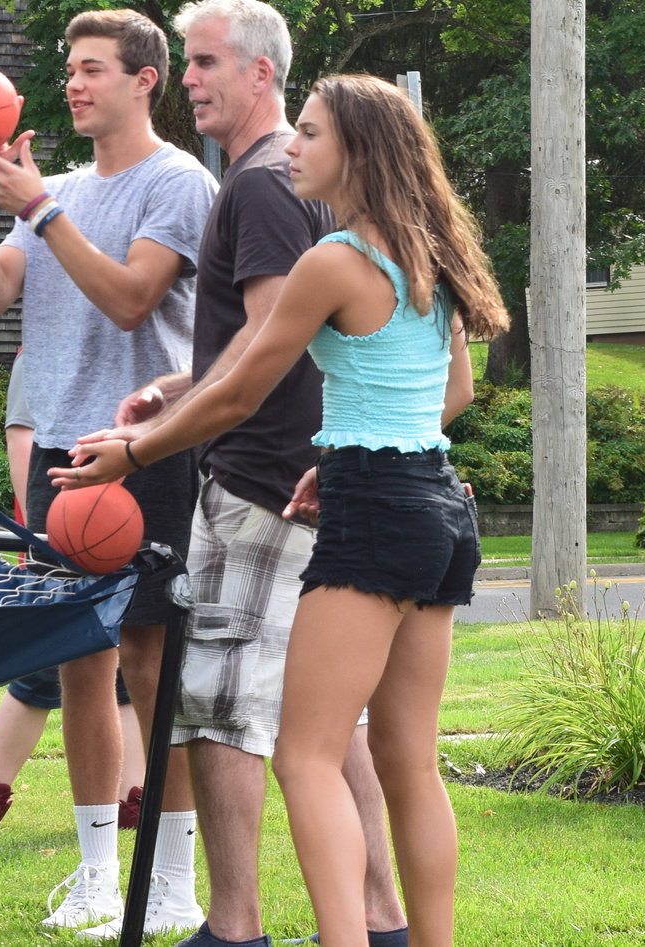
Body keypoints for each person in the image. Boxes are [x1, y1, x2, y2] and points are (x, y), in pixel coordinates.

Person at [52, 74, 506, 947]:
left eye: (309, 132)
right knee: (407, 760)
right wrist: (337, 460)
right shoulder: (431, 255)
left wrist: (134, 452)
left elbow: (240, 393)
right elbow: (453, 391)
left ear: (357, 152)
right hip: (440, 507)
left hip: (377, 515)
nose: (291, 148)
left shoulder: (334, 259)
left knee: (304, 755)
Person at [94, 0, 408, 947]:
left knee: (222, 709)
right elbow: (274, 336)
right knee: (323, 721)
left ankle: (233, 929)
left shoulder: (265, 181)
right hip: (314, 476)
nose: (187, 78)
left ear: (260, 72)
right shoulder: (313, 177)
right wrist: (178, 383)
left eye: (203, 62)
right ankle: (380, 918)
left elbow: (271, 354)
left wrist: (167, 430)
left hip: (261, 483)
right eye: (186, 63)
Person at [0, 9, 216, 935]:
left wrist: (38, 206)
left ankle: (175, 880)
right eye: (69, 68)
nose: (74, 83)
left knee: (151, 662)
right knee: (76, 664)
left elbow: (131, 296)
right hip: (61, 452)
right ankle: (100, 873)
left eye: (94, 68)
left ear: (145, 80)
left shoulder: (176, 180)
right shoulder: (54, 185)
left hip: (146, 444)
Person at [0, 419, 148, 836]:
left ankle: (133, 797)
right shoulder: (42, 358)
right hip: (66, 501)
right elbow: (21, 434)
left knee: (136, 658)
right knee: (45, 662)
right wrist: (39, 529)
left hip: (143, 477)